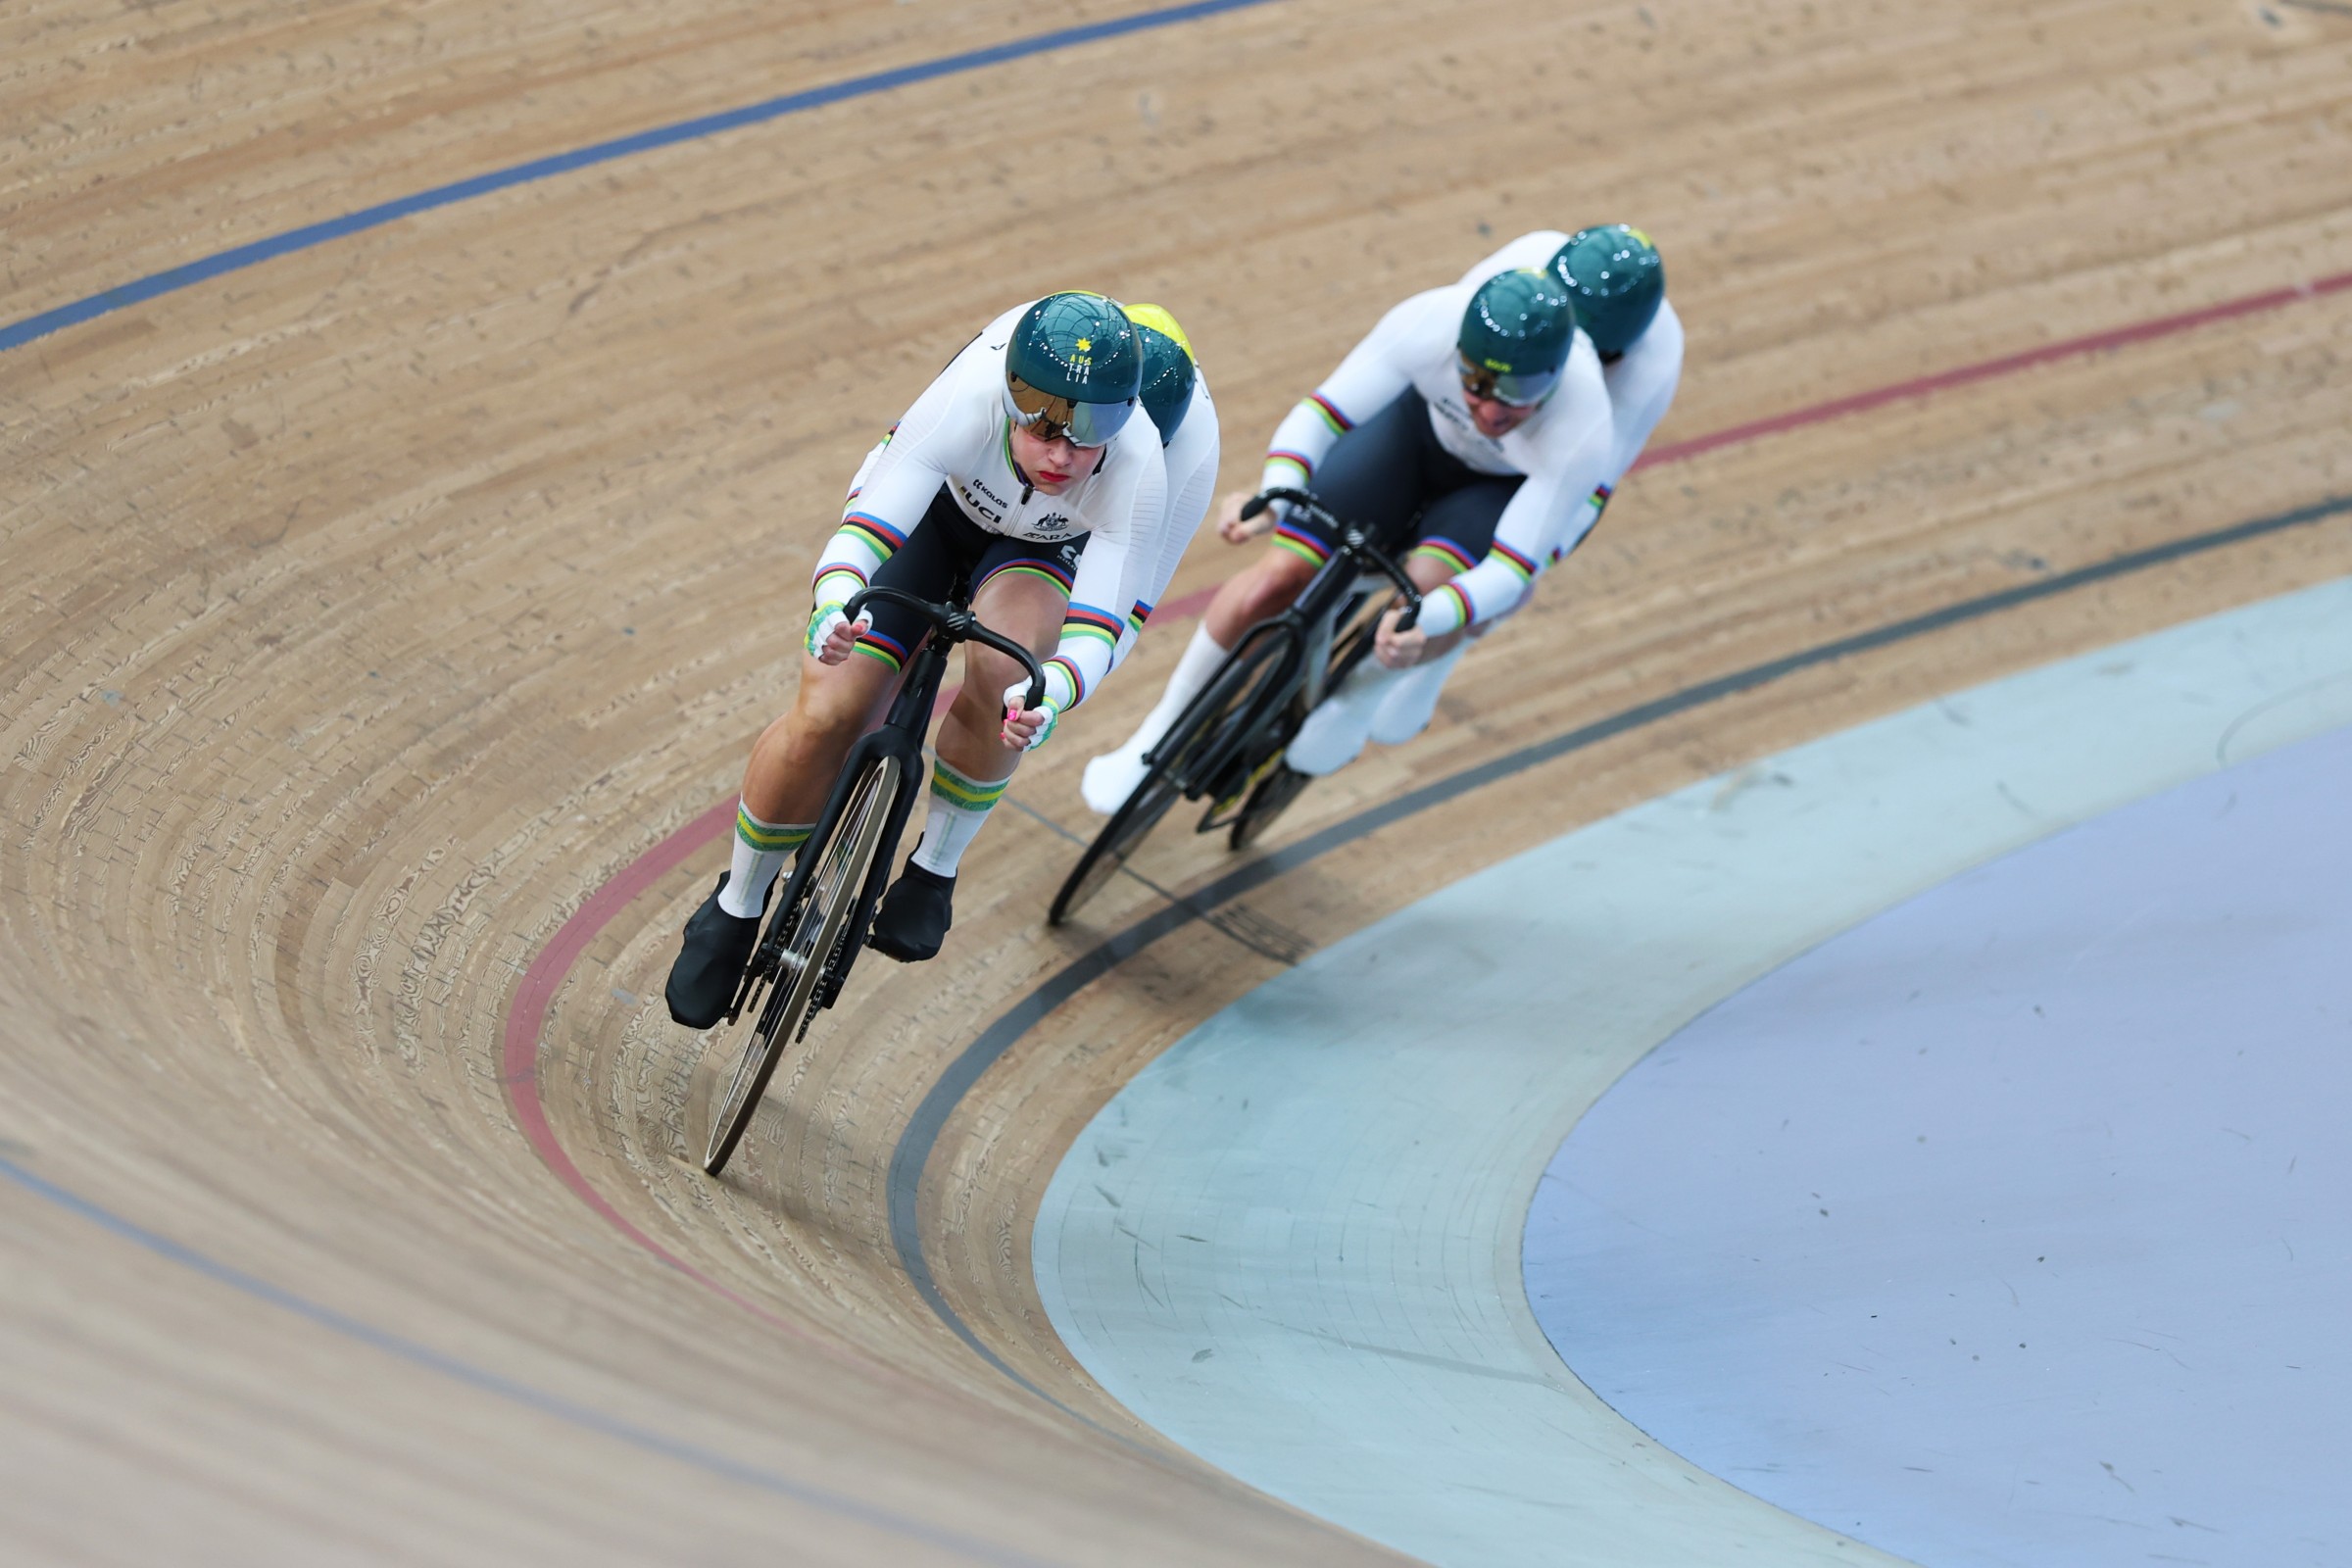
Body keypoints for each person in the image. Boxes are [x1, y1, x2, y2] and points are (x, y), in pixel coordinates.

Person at [665, 292, 1176, 1028]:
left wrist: (1053, 693)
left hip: (1042, 552)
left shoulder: (1139, 465)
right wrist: (835, 605)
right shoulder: (969, 400)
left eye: (1090, 429)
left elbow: (1099, 625)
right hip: (937, 508)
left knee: (1011, 676)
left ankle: (934, 868)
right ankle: (736, 905)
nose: (1063, 453)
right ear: (1010, 398)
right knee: (831, 709)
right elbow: (864, 533)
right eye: (1042, 423)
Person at [1081, 263, 1615, 807]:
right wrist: (1276, 498)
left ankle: (1357, 701)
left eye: (1520, 391)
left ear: (1554, 378)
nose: (1492, 409)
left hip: (1496, 491)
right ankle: (1157, 734)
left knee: (1422, 595)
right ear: (1457, 353)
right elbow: (1320, 415)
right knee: (1277, 578)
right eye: (1476, 383)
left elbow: (1512, 568)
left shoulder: (1586, 424)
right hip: (1416, 437)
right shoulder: (1430, 322)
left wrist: (1427, 620)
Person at [1359, 223, 1680, 746]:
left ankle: (1441, 656)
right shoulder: (1511, 284)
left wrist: (1521, 572)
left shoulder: (1651, 364)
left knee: (1498, 581)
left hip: (1531, 474)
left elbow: (1584, 496)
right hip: (1451, 431)